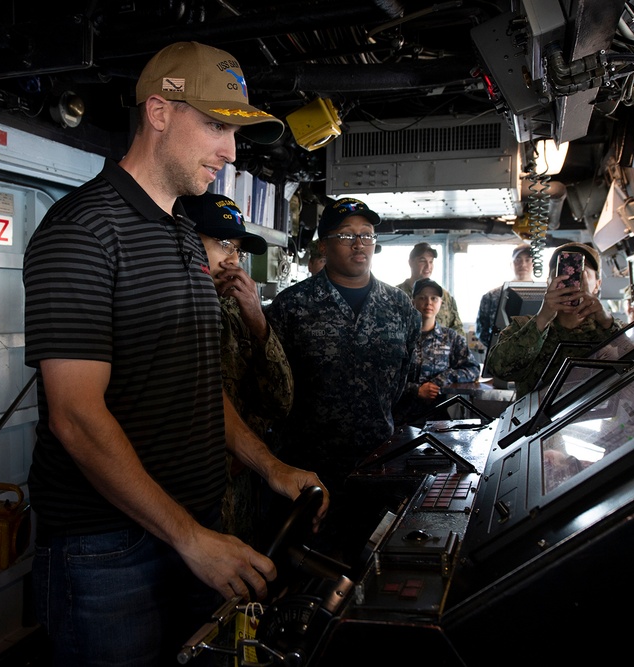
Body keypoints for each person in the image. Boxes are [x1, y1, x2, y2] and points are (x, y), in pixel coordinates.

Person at [22, 41, 327, 667]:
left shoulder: (186, 238)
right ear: (158, 112)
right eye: (216, 126)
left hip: (192, 530)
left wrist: (271, 468)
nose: (231, 151)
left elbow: (196, 385)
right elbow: (75, 417)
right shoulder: (84, 230)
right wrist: (191, 539)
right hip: (107, 553)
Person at [264, 197, 420, 556]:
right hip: (308, 473)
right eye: (346, 235)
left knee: (370, 566)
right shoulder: (291, 307)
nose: (359, 244)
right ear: (323, 244)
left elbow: (404, 382)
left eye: (366, 235)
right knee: (306, 571)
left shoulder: (400, 308)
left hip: (376, 468)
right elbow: (273, 390)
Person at [180, 190, 294, 545]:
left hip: (241, 484)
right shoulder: (166, 302)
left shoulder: (237, 308)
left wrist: (258, 321)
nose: (234, 261)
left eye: (238, 250)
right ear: (185, 238)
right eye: (225, 244)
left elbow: (280, 401)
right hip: (183, 491)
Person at [485, 242, 624, 399]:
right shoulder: (522, 326)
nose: (571, 283)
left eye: (579, 275)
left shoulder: (610, 329)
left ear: (597, 285)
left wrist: (606, 321)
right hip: (537, 421)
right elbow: (499, 369)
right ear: (548, 282)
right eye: (561, 275)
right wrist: (542, 317)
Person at [395, 278, 481, 425]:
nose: (428, 303)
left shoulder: (451, 338)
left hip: (436, 417)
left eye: (434, 298)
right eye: (422, 298)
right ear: (413, 301)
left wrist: (441, 380)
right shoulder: (397, 336)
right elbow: (384, 376)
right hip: (399, 417)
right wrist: (416, 390)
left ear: (441, 303)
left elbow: (472, 369)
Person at [475, 244, 539, 350]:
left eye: (528, 260)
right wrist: (501, 351)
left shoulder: (545, 295)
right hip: (500, 356)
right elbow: (482, 332)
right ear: (511, 264)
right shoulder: (491, 296)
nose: (523, 264)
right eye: (518, 260)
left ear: (534, 264)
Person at [395, 242, 464, 335]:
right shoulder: (395, 295)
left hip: (440, 347)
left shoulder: (444, 296)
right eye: (422, 261)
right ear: (410, 262)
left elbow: (457, 328)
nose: (428, 266)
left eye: (431, 261)